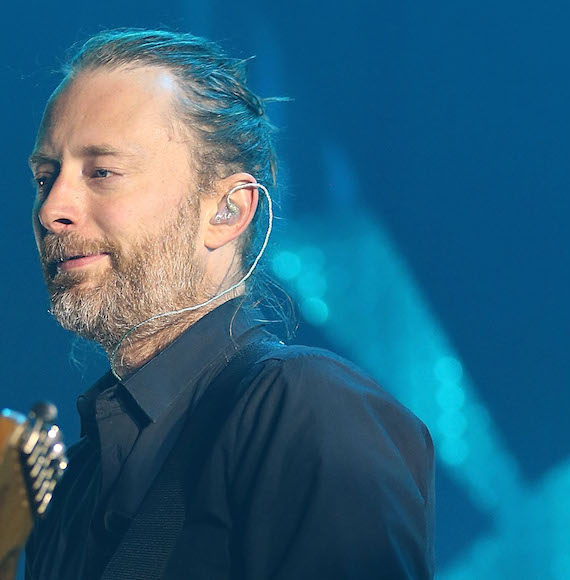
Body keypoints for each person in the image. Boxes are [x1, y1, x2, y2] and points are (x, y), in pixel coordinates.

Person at [24, 28, 434, 579]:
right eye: (45, 177)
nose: (53, 208)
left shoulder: (308, 412)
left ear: (227, 211)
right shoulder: (75, 487)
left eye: (102, 172)